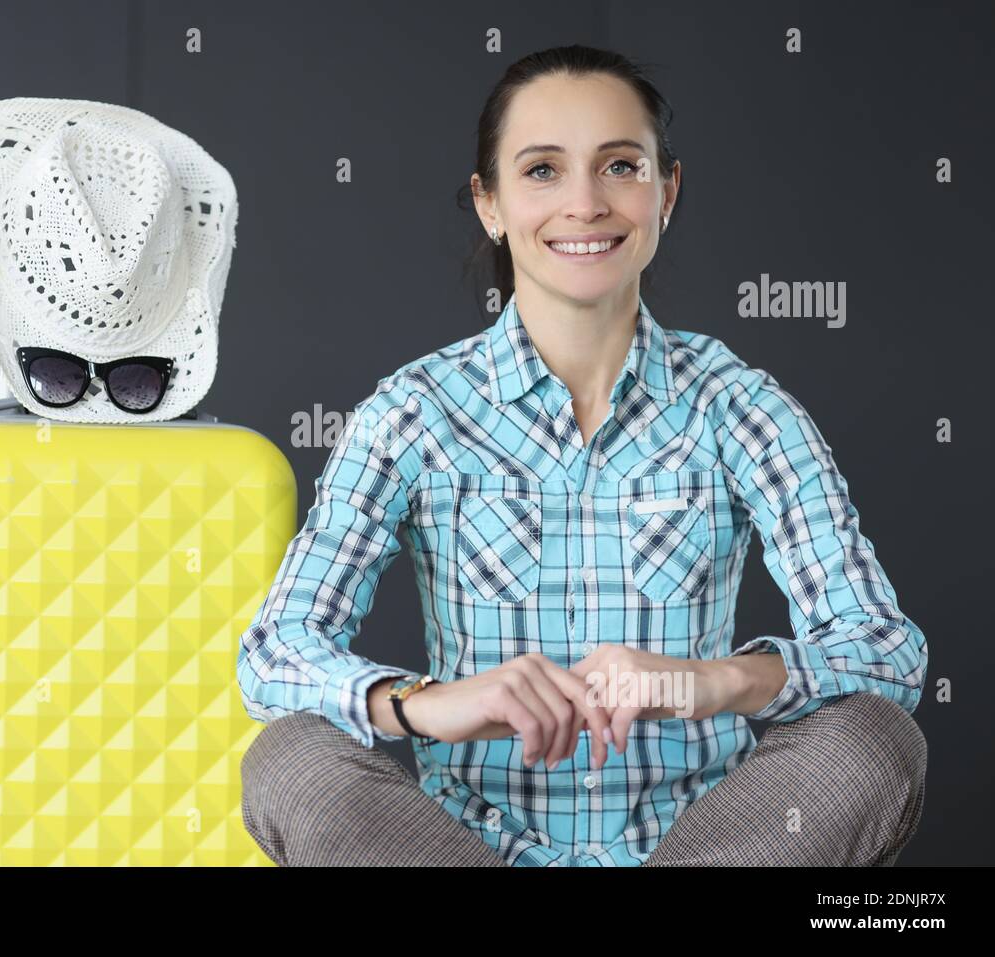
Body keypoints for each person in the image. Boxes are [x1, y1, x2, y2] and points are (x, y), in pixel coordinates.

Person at [236, 44, 927, 867]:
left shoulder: (740, 405)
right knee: (288, 761)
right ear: (489, 204)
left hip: (703, 849)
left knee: (876, 740)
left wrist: (713, 681)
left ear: (666, 192)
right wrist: (427, 702)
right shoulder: (412, 412)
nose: (586, 203)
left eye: (620, 166)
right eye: (541, 171)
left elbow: (885, 648)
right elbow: (274, 654)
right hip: (469, 851)